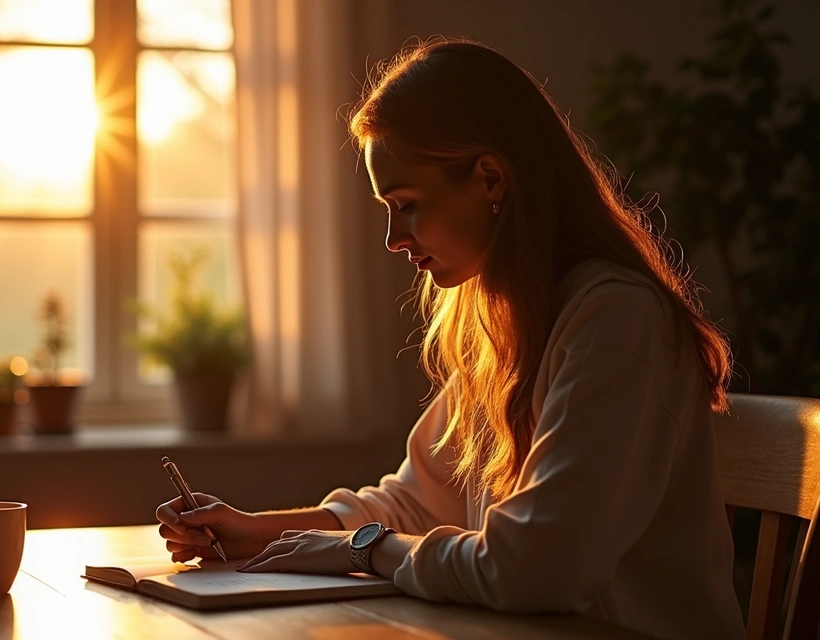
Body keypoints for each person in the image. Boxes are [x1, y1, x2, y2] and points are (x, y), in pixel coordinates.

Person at [154, 38, 745, 640]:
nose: (392, 237)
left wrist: (366, 551)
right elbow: (416, 503)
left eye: (406, 204)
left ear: (490, 178)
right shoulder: (505, 323)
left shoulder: (617, 324)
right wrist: (261, 531)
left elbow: (536, 569)